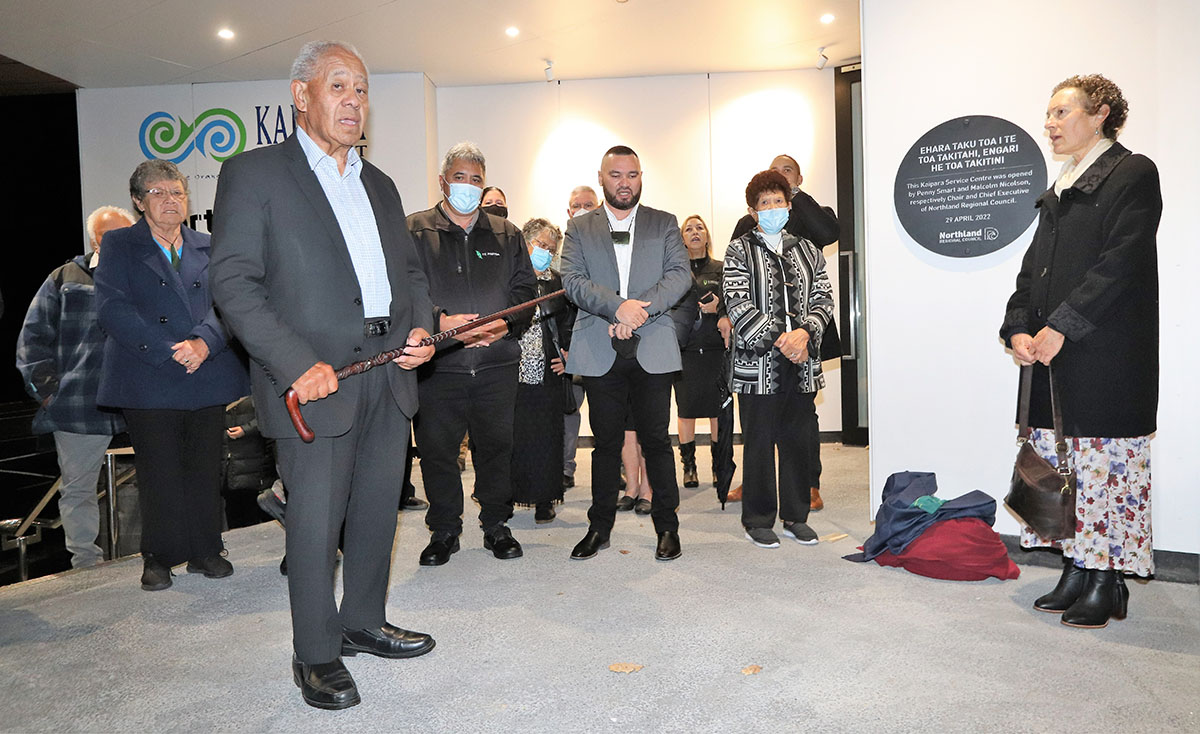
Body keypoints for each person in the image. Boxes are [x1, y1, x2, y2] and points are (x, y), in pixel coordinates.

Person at [210, 40, 437, 710]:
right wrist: (292, 362)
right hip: (314, 381)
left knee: (375, 512)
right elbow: (234, 283)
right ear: (300, 95)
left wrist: (420, 328)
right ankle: (315, 653)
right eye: (338, 86)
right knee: (314, 524)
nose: (352, 101)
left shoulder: (381, 185)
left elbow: (411, 277)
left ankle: (363, 621)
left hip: (388, 373)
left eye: (361, 90)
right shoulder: (254, 174)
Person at [1000, 74, 1160, 630]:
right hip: (1051, 356)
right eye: (1047, 113)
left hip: (1106, 354)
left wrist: (1063, 327)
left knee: (1103, 467)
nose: (1049, 123)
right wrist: (1018, 327)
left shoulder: (1132, 173)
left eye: (1061, 112)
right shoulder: (1059, 187)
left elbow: (1121, 264)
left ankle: (1106, 580)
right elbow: (1030, 272)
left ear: (1101, 114)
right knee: (1066, 467)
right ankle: (1076, 566)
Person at [94, 161, 249, 586]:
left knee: (205, 468)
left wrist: (204, 343)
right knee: (158, 471)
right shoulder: (120, 245)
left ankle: (206, 550)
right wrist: (166, 352)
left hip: (206, 370)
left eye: (177, 192)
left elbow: (231, 303)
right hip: (148, 375)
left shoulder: (210, 244)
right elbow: (112, 309)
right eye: (159, 193)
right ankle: (158, 557)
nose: (170, 200)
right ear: (139, 201)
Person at [407, 141, 537, 567]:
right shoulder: (414, 231)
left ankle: (497, 525)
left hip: (497, 364)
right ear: (443, 181)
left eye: (476, 179)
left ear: (485, 187)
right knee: (438, 452)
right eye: (460, 177)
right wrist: (438, 322)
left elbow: (525, 291)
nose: (467, 186)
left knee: (496, 448)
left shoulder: (507, 233)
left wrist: (504, 324)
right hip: (438, 368)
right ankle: (444, 530)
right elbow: (402, 294)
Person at [560, 145, 691, 562]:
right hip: (600, 344)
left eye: (631, 175)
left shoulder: (664, 223)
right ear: (602, 178)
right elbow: (572, 280)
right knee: (605, 445)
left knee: (657, 441)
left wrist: (637, 312)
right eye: (615, 175)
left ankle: (667, 528)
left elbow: (679, 276)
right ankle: (599, 528)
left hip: (651, 343)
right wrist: (616, 307)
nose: (624, 182)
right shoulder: (580, 228)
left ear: (641, 177)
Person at [16, 205, 135, 568]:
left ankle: (160, 550)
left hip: (141, 398)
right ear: (95, 240)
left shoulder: (148, 275)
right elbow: (32, 338)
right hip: (80, 404)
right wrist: (50, 392)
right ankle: (86, 564)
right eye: (110, 235)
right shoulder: (65, 277)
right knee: (79, 488)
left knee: (162, 478)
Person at [724, 169, 833, 549]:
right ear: (753, 211)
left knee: (796, 440)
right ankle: (757, 519)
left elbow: (823, 299)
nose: (772, 208)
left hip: (802, 360)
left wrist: (804, 334)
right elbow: (738, 303)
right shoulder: (739, 249)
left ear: (789, 205)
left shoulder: (809, 249)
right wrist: (779, 339)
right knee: (758, 440)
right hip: (758, 362)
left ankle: (796, 516)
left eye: (778, 201)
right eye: (764, 203)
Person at [511, 218, 575, 523]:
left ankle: (545, 499)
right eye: (541, 245)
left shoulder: (557, 282)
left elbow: (570, 322)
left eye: (552, 248)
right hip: (512, 368)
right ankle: (509, 494)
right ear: (526, 242)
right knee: (513, 436)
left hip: (548, 367)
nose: (546, 252)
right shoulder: (510, 277)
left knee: (547, 437)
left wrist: (568, 355)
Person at [670, 214, 731, 489]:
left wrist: (718, 307)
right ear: (681, 238)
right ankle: (689, 467)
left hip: (717, 349)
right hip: (686, 349)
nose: (695, 232)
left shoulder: (722, 268)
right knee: (686, 410)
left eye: (700, 227)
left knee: (717, 410)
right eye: (689, 229)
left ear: (707, 235)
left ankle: (719, 466)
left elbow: (734, 303)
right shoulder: (674, 271)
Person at [561, 185, 601, 489]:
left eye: (589, 204)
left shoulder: (612, 248)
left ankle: (616, 470)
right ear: (568, 212)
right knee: (569, 412)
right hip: (567, 348)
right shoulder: (557, 253)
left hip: (604, 343)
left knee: (607, 414)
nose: (583, 209)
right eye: (578, 205)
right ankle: (565, 468)